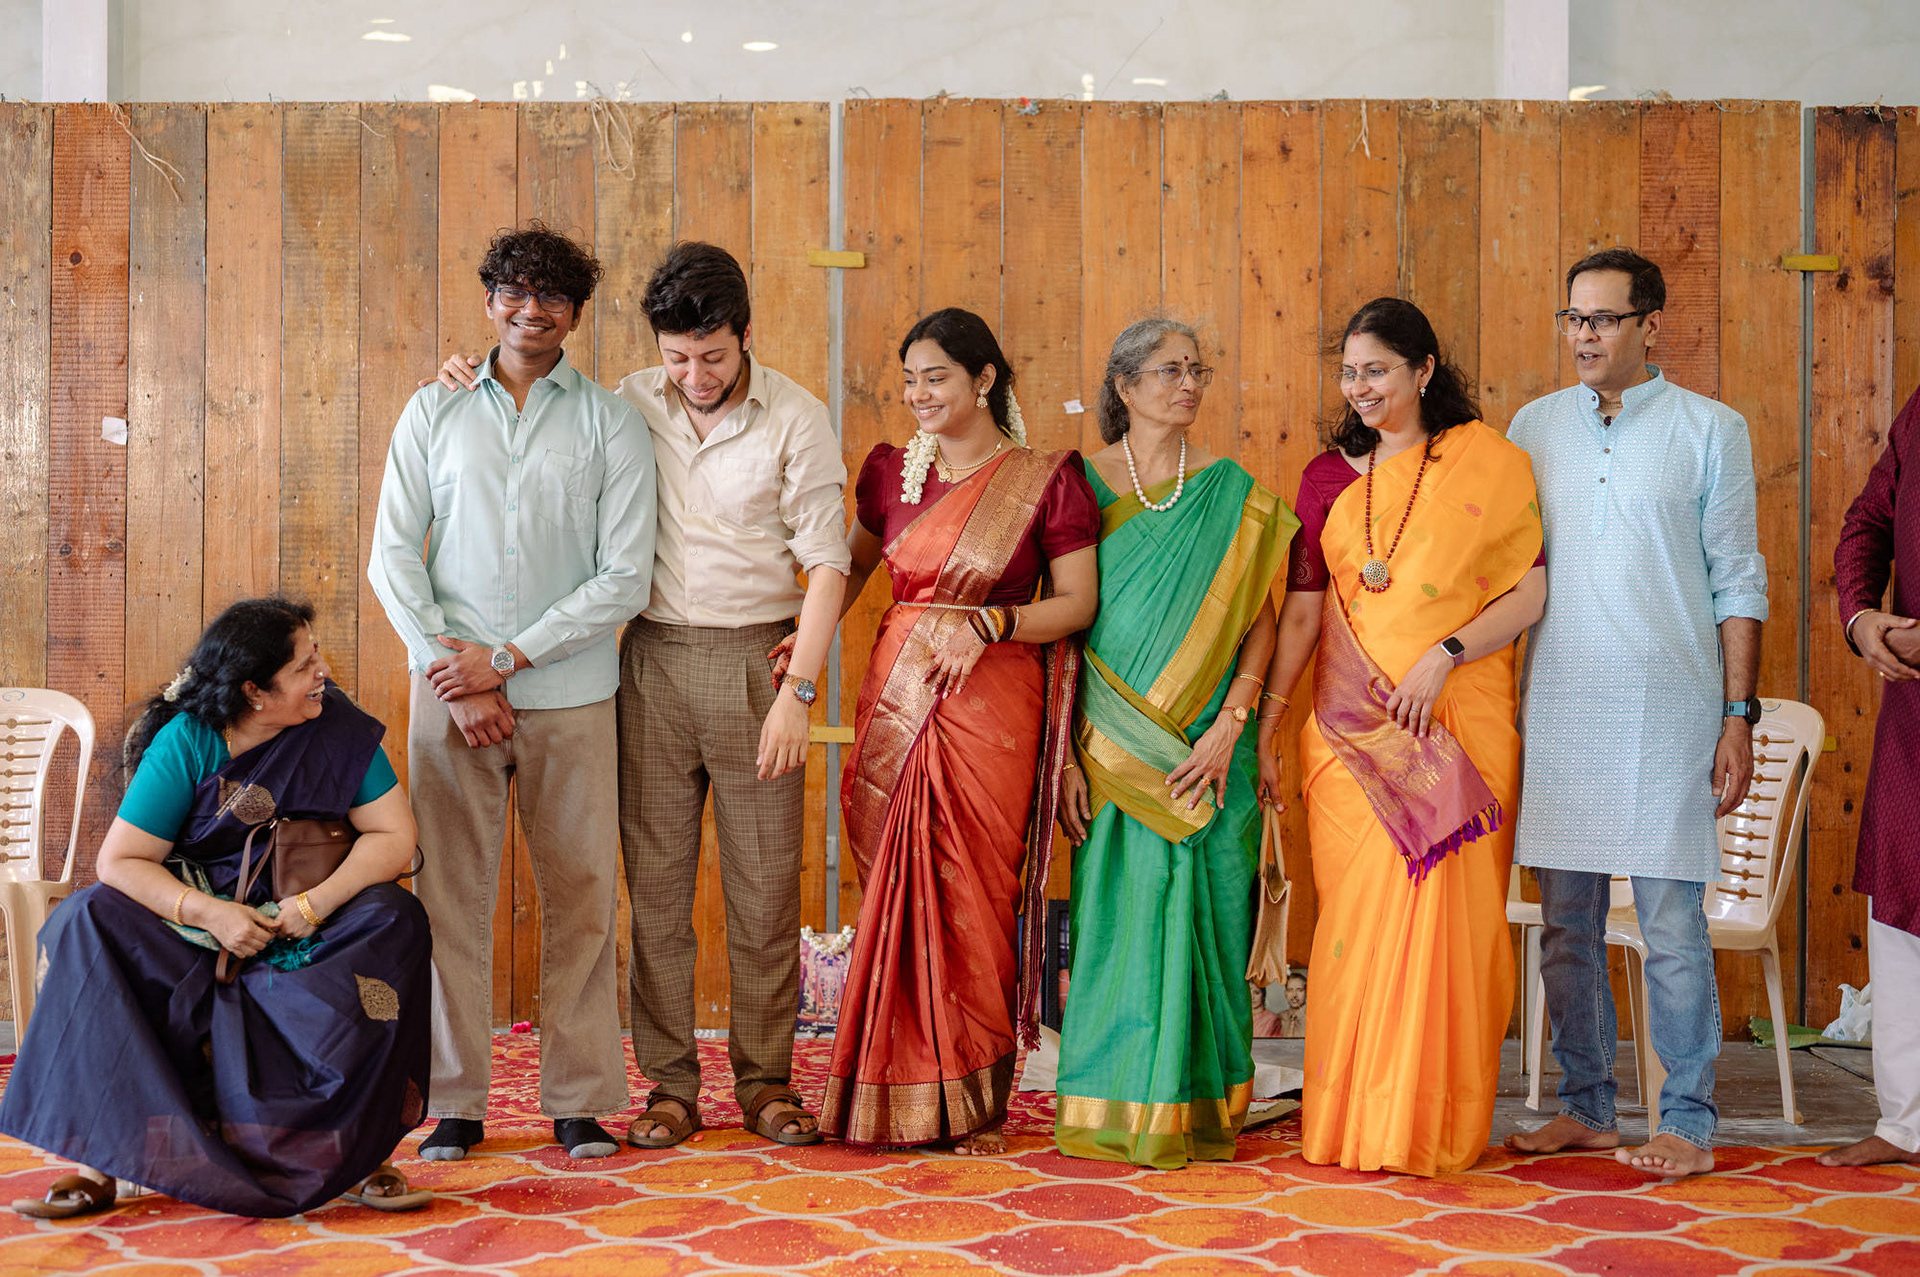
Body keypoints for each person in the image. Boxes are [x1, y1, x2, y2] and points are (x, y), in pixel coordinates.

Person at [430, 241, 848, 1151]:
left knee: (765, 890)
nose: (695, 376)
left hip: (758, 663)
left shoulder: (796, 416)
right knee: (655, 893)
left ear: (746, 336)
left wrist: (799, 690)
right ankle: (670, 1086)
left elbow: (828, 562)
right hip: (649, 661)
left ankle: (766, 1083)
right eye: (678, 357)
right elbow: (524, 398)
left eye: (714, 356)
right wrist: (462, 371)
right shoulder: (625, 404)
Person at [372, 222, 657, 1163]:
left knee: (583, 897)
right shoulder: (433, 409)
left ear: (575, 313)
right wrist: (455, 673)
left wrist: (508, 659)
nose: (531, 310)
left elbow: (625, 575)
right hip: (449, 694)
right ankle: (454, 1100)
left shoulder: (611, 422)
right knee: (449, 900)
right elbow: (391, 556)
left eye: (552, 297)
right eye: (514, 293)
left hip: (570, 693)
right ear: (490, 300)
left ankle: (580, 1099)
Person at [0, 598, 432, 1219]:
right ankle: (99, 1159)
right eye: (304, 665)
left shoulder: (338, 729)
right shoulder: (188, 740)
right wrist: (211, 914)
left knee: (395, 919)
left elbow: (394, 836)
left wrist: (312, 906)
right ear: (254, 691)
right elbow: (121, 861)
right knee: (86, 920)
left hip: (313, 919)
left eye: (316, 656)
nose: (323, 673)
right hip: (200, 921)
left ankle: (359, 1155)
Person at [1257, 297, 1546, 1177]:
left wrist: (1445, 655)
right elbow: (1302, 616)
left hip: (1456, 721)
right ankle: (1354, 1119)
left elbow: (1531, 591)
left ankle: (1425, 1125)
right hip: (1348, 738)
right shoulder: (1325, 479)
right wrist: (1265, 720)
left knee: (1448, 931)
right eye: (1349, 372)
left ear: (1423, 370)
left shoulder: (1489, 463)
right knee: (1354, 927)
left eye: (1376, 370)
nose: (1360, 387)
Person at [1504, 248, 1767, 1179]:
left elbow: (1739, 578)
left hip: (1670, 710)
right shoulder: (1533, 427)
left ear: (1650, 325)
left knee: (1671, 929)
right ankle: (1586, 1107)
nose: (1584, 335)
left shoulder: (1711, 429)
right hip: (1561, 702)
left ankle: (1687, 1121)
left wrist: (1737, 714)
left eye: (1604, 319)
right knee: (1567, 927)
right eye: (1574, 317)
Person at [813, 307, 1098, 1154]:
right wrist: (808, 642)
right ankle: (886, 1090)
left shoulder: (1046, 479)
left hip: (991, 701)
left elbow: (1077, 604)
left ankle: (972, 1100)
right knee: (897, 888)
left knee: (974, 896)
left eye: (936, 376)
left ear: (984, 379)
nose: (919, 394)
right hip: (898, 692)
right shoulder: (889, 472)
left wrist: (993, 624)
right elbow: (851, 567)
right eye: (909, 379)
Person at [1053, 317, 1298, 1170]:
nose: (1188, 384)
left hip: (1209, 748)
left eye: (1196, 369)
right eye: (1168, 370)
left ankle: (1202, 1105)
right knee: (1117, 922)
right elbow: (1061, 632)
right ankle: (1114, 1100)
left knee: (1212, 920)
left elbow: (1261, 622)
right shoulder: (1078, 485)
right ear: (1125, 387)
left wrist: (1233, 723)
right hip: (1109, 746)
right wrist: (1064, 756)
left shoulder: (1231, 493)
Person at [1818, 382, 1920, 1169]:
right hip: (1914, 712)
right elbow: (1867, 523)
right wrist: (1862, 617)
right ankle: (1905, 1123)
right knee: (1899, 907)